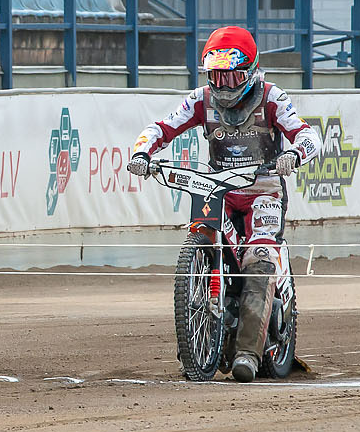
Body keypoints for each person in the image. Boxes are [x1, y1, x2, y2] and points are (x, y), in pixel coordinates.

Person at [126, 25, 323, 382]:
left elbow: (309, 135)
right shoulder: (200, 99)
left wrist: (293, 155)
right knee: (200, 236)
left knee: (259, 260)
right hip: (217, 189)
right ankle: (197, 337)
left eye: (233, 75)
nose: (225, 85)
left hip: (263, 190)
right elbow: (162, 127)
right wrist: (142, 151)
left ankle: (248, 353)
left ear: (250, 71)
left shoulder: (271, 97)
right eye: (217, 75)